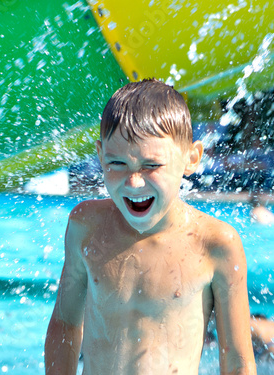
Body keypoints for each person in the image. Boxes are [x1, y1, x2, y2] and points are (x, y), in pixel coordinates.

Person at [44, 79, 256, 374]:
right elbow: (65, 324)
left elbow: (237, 358)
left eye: (151, 166)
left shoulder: (215, 244)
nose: (134, 182)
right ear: (101, 154)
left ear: (191, 158)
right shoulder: (86, 226)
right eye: (117, 164)